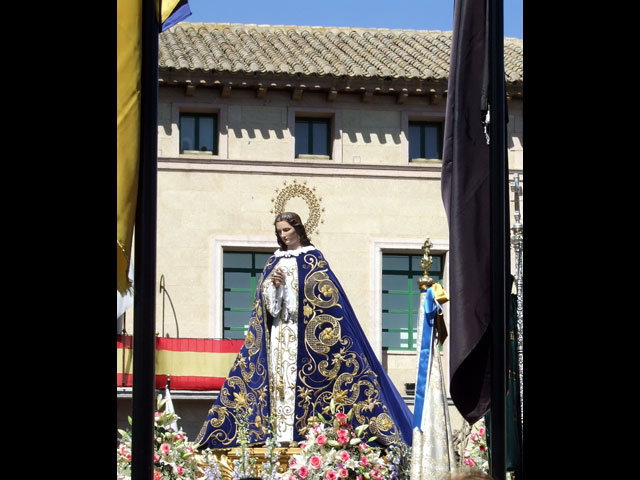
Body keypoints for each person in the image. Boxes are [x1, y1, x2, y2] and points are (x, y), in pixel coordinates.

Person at [195, 212, 412, 450]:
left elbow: (326, 298)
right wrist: (274, 287)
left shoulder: (313, 258)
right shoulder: (273, 261)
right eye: (279, 231)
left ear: (298, 228)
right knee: (278, 381)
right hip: (278, 333)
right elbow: (265, 305)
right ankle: (277, 434)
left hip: (304, 336)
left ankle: (300, 435)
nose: (283, 235)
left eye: (287, 230)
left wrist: (293, 290)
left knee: (302, 384)